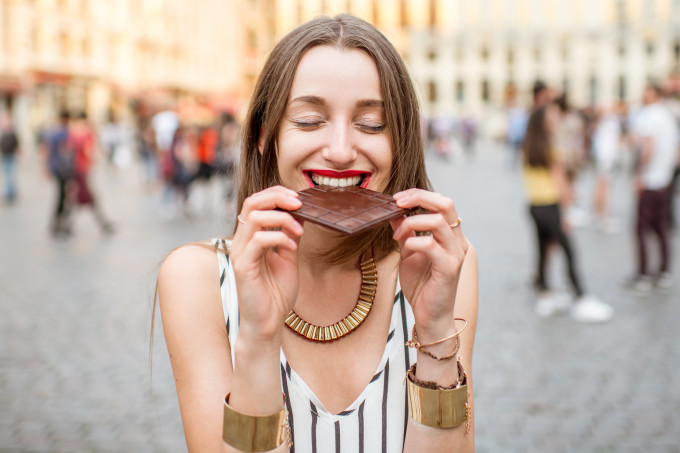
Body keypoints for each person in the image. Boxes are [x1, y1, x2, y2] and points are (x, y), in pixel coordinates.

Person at [157, 15, 477, 453]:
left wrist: (436, 329)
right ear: (264, 136)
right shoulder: (196, 280)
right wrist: (258, 338)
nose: (342, 151)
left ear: (401, 140)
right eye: (309, 121)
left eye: (371, 124)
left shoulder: (440, 263)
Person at [521, 102, 613, 323]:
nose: (556, 123)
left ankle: (545, 295)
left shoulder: (528, 147)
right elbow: (560, 183)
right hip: (551, 205)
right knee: (569, 250)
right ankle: (581, 297)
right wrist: (566, 211)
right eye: (552, 120)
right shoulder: (551, 148)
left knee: (543, 250)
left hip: (534, 205)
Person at [626, 82, 679, 291]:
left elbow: (648, 147)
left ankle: (643, 275)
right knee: (661, 227)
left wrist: (640, 174)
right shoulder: (668, 116)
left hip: (650, 180)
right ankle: (664, 271)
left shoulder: (650, 115)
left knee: (641, 229)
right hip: (664, 179)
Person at [45, 111, 74, 237]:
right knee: (64, 197)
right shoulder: (65, 133)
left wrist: (47, 167)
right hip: (64, 169)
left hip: (56, 168)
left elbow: (48, 150)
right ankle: (60, 224)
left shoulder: (54, 133)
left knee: (61, 196)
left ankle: (57, 223)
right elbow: (66, 151)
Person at [0, 114, 20, 203]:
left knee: (11, 175)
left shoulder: (12, 134)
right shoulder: (3, 134)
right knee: (7, 175)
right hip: (5, 156)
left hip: (11, 156)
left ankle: (11, 193)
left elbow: (17, 145)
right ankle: (9, 192)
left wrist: (19, 154)